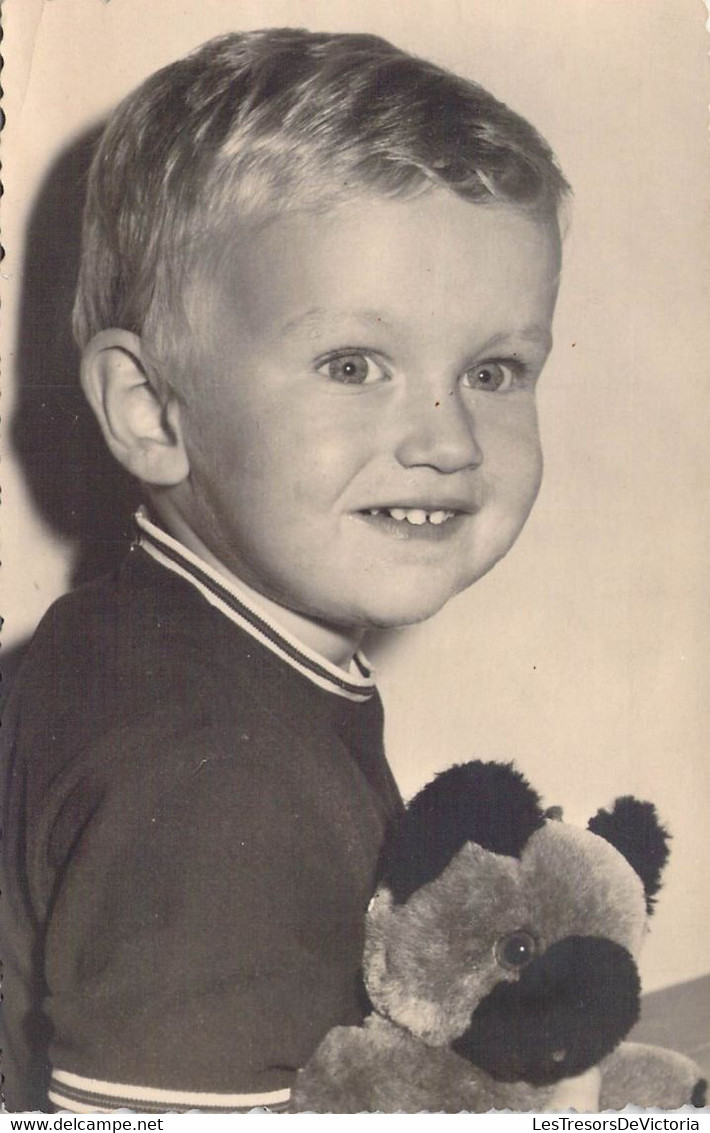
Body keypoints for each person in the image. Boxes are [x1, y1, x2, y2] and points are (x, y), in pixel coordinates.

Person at [1, 28, 571, 1112]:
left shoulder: (132, 638)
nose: (448, 440)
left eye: (493, 369)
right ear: (148, 409)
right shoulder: (221, 778)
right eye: (353, 364)